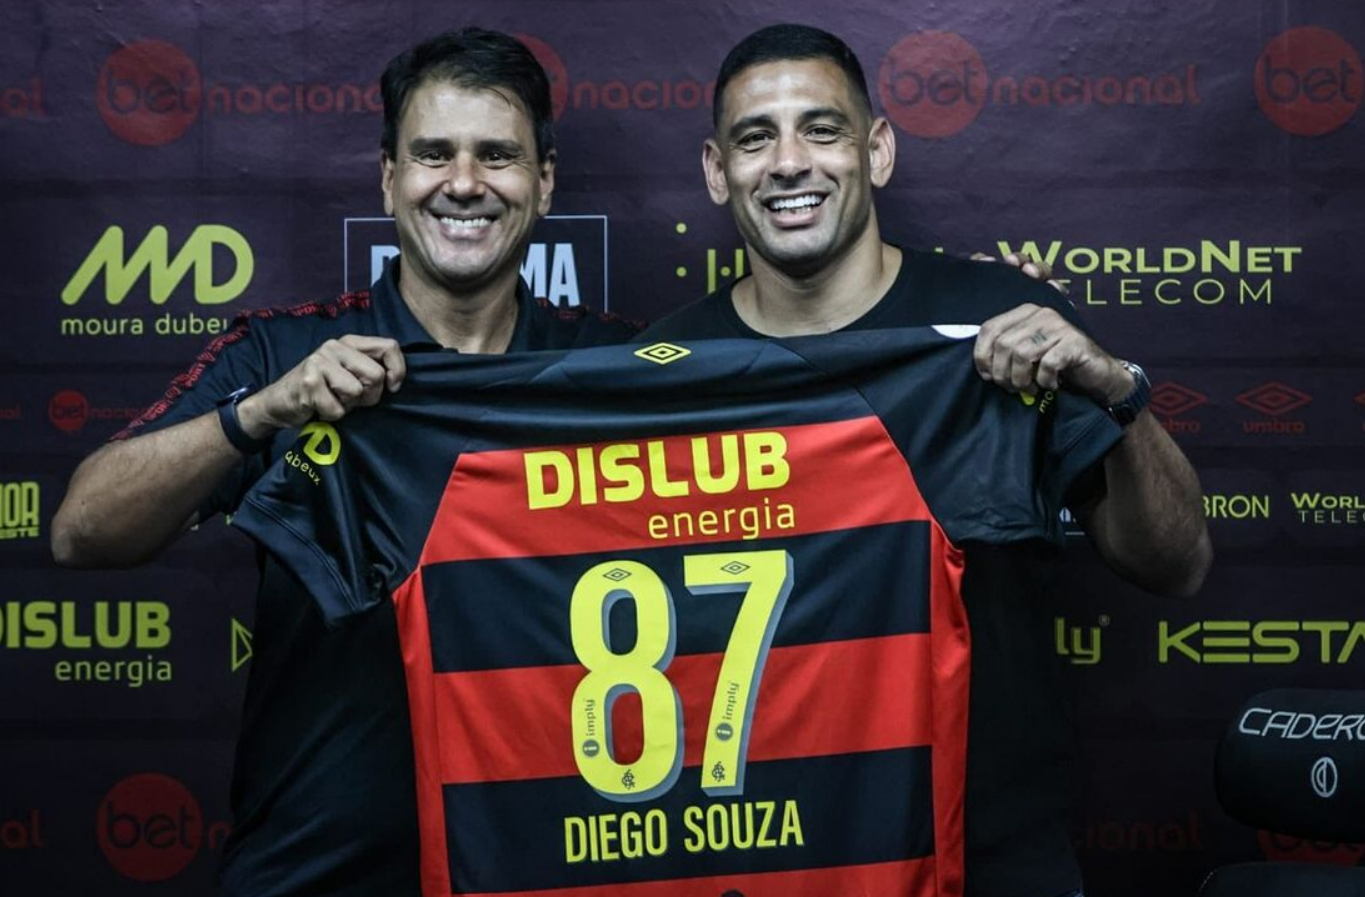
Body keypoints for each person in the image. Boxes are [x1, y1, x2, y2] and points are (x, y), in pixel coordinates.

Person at [51, 28, 638, 897]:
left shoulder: (619, 373)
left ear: (543, 182)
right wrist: (261, 413)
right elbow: (79, 530)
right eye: (433, 154)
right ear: (389, 178)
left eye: (497, 156)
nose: (465, 183)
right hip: (317, 871)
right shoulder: (286, 354)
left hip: (546, 862)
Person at [639, 23, 1213, 897]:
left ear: (877, 151)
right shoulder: (661, 371)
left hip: (990, 852)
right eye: (756, 138)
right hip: (758, 852)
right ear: (718, 172)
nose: (789, 162)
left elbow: (1177, 565)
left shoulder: (998, 320)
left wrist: (1113, 387)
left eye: (821, 130)